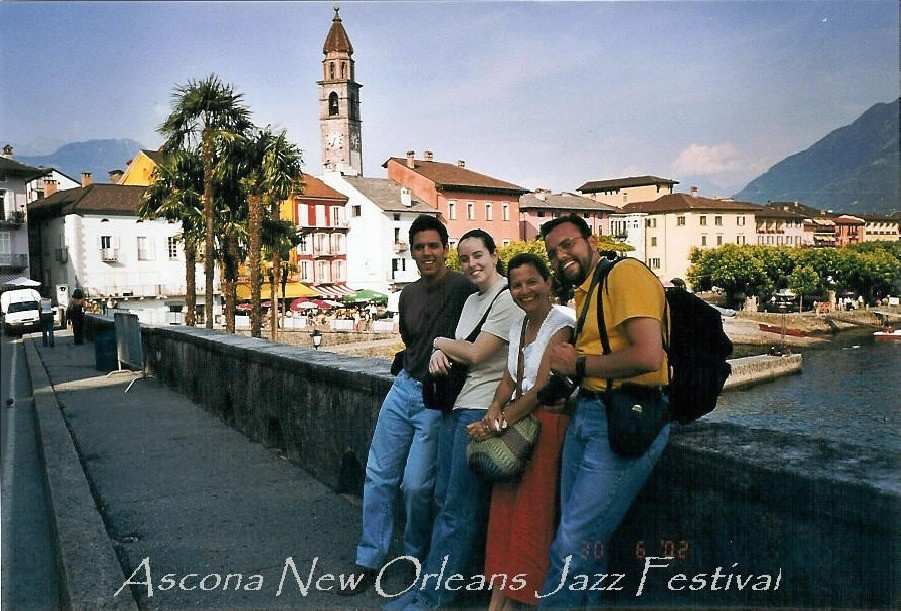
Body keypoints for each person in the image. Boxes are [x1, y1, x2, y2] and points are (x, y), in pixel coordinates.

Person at [338, 215, 476, 596]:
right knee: (378, 473)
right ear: (411, 251)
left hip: (437, 398)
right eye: (420, 247)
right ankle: (369, 558)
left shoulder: (465, 288)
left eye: (434, 245)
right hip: (403, 389)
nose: (427, 252)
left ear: (445, 249)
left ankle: (415, 559)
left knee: (416, 486)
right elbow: (411, 341)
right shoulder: (408, 294)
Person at [538, 214, 671, 609]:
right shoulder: (587, 288)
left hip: (626, 416)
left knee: (572, 542)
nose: (561, 256)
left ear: (590, 240)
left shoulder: (624, 275)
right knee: (583, 541)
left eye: (567, 244)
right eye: (552, 252)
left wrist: (576, 366)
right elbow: (604, 352)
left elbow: (648, 355)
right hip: (592, 412)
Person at [397, 229, 520, 609]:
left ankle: (433, 597)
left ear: (495, 254)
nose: (472, 264)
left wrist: (439, 345)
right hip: (456, 406)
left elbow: (479, 353)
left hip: (480, 409)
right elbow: (459, 348)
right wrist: (444, 354)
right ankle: (446, 584)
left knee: (457, 509)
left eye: (478, 255)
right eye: (465, 259)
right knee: (442, 498)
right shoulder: (472, 300)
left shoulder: (507, 299)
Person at [475, 253, 576, 609]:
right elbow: (510, 378)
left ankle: (525, 598)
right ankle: (499, 598)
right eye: (516, 284)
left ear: (548, 282)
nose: (524, 290)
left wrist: (497, 424)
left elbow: (541, 389)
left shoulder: (561, 323)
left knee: (532, 515)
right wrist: (493, 408)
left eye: (532, 281)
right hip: (519, 420)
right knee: (504, 513)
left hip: (545, 423)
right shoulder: (519, 324)